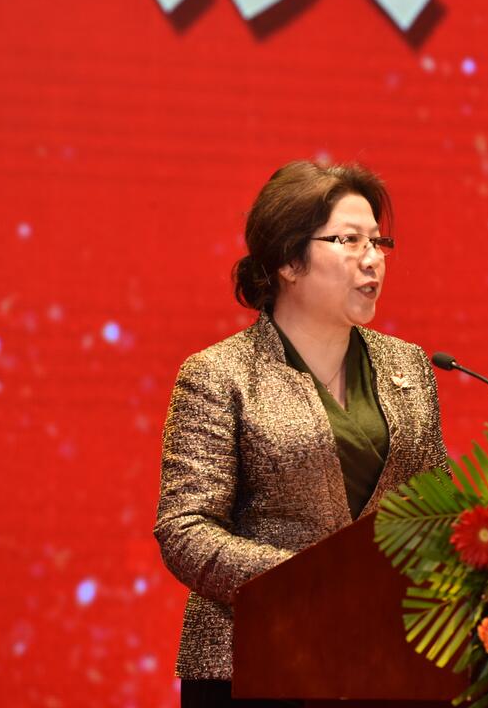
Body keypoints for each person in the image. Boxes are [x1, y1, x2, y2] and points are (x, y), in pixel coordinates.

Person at [154, 161, 449, 707]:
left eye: (378, 242)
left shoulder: (408, 366)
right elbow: (185, 529)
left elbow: (435, 509)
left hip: (384, 664)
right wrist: (307, 583)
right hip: (255, 660)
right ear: (290, 260)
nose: (372, 259)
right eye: (349, 240)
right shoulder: (220, 373)